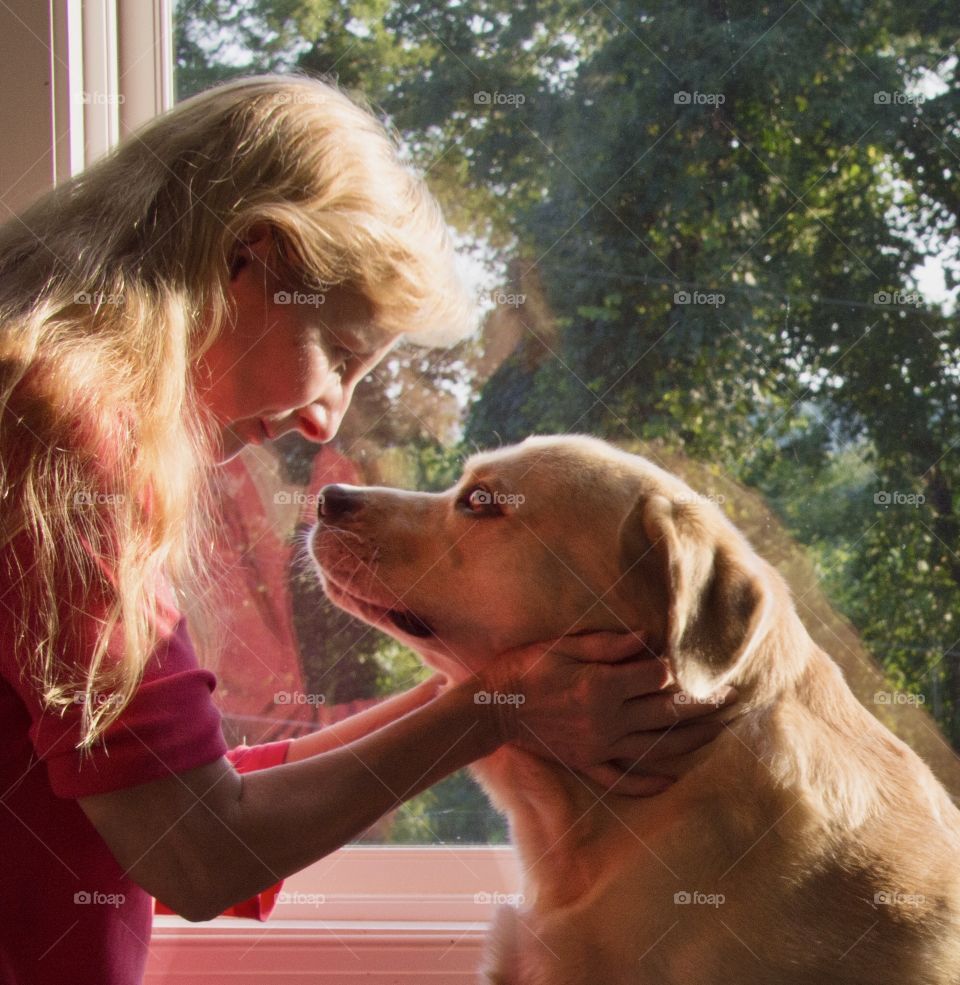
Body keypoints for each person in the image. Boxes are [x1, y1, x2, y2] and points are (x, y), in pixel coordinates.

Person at [0, 74, 734, 984]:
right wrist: (493, 708)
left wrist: (508, 694)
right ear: (251, 257)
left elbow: (179, 798)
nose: (325, 418)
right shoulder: (63, 433)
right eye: (340, 355)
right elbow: (195, 851)